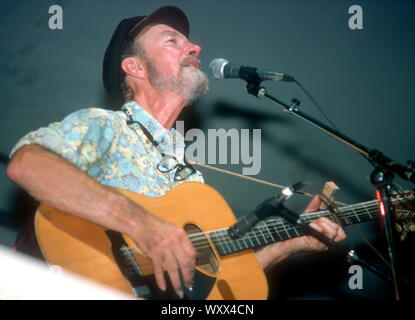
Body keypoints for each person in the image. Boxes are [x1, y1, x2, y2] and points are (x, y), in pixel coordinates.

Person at [6, 6, 346, 299]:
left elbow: (219, 287)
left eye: (188, 41)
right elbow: (27, 165)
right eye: (172, 40)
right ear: (135, 68)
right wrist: (143, 225)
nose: (195, 47)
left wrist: (291, 243)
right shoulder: (104, 126)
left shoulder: (188, 177)